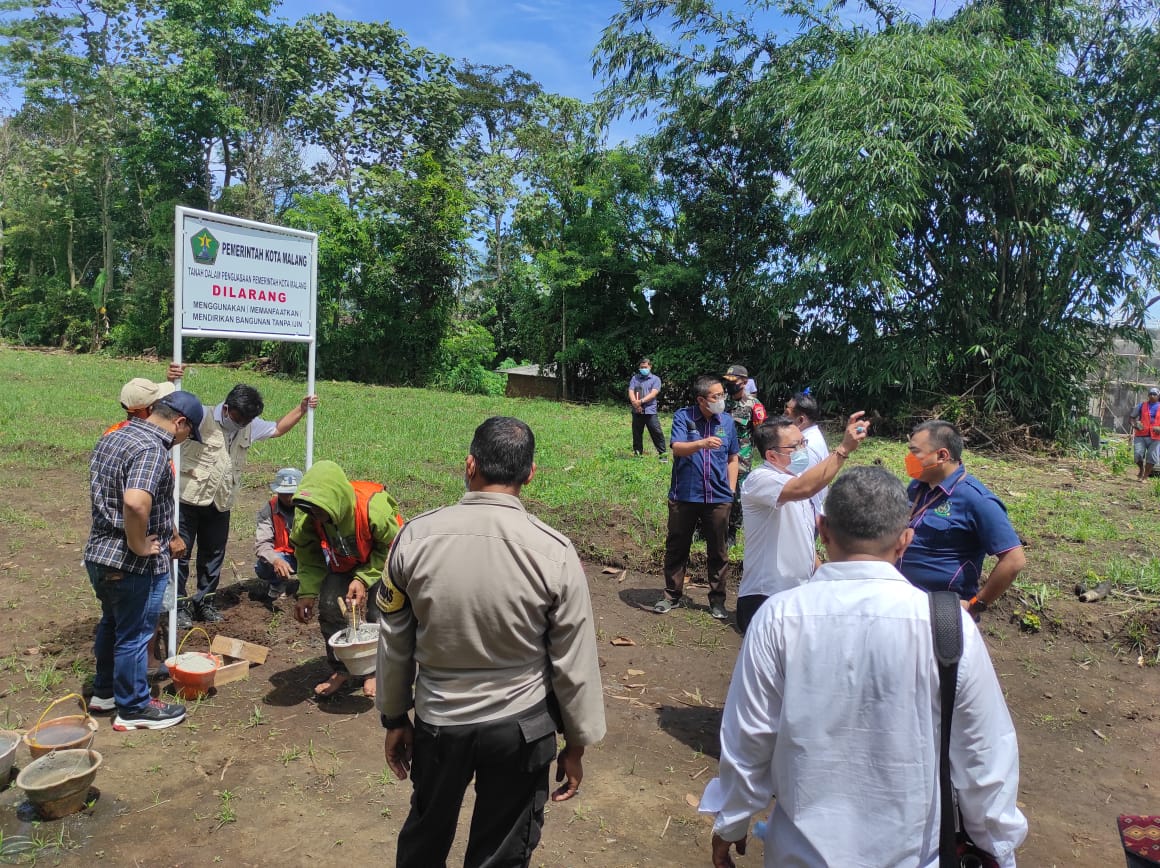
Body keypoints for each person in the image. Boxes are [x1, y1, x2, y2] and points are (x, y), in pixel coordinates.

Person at [701, 466, 1027, 867]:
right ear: (905, 540)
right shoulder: (946, 624)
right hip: (914, 856)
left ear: (822, 530)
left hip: (800, 855)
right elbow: (983, 751)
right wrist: (997, 847)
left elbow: (748, 738)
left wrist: (731, 820)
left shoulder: (779, 617)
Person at [377, 416, 606, 868]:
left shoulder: (414, 538)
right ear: (530, 475)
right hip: (519, 728)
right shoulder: (554, 551)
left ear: (469, 466)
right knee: (502, 848)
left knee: (425, 836)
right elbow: (574, 660)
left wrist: (393, 715)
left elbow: (395, 637)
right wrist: (575, 745)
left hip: (439, 721)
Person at [84, 391, 205, 731]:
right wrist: (138, 544)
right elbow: (136, 503)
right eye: (187, 434)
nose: (183, 440)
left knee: (113, 623)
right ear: (179, 422)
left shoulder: (116, 435)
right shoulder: (152, 449)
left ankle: (105, 692)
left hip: (99, 554)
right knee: (135, 634)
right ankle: (134, 708)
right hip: (129, 563)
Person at [175, 377, 318, 627]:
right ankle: (177, 606)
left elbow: (277, 429)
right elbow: (168, 415)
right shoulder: (200, 416)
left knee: (213, 555)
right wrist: (171, 379)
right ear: (227, 409)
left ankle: (204, 602)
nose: (240, 425)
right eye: (238, 419)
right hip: (187, 499)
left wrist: (301, 409)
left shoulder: (249, 426)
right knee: (180, 554)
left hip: (221, 502)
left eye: (246, 422)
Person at [736, 412, 868, 633]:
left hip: (795, 594)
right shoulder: (760, 480)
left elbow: (802, 536)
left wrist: (821, 572)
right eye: (795, 446)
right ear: (772, 456)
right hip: (765, 597)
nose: (803, 451)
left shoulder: (793, 481)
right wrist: (843, 449)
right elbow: (805, 488)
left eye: (803, 443)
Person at [291, 460, 403, 698]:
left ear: (338, 501)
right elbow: (308, 555)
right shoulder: (309, 516)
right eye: (312, 512)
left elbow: (394, 547)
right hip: (344, 560)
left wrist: (363, 579)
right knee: (331, 606)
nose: (317, 518)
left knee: (380, 612)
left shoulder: (373, 508)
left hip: (385, 561)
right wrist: (307, 592)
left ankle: (375, 670)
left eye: (321, 511)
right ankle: (343, 669)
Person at [898, 420, 1026, 615]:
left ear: (942, 455)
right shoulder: (916, 487)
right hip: (904, 604)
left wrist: (976, 605)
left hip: (943, 614)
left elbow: (1014, 560)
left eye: (915, 452)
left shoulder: (977, 500)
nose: (909, 458)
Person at [655, 375, 739, 620]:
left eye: (723, 395)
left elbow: (733, 458)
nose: (721, 400)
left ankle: (717, 601)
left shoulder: (727, 423)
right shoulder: (684, 416)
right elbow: (678, 448)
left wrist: (731, 490)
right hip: (685, 494)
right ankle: (671, 595)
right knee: (677, 546)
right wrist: (701, 443)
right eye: (716, 396)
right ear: (702, 400)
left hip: (718, 497)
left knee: (719, 550)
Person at [724, 365, 766, 546]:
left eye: (734, 381)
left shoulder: (754, 405)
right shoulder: (722, 401)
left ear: (745, 382)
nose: (729, 384)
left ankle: (732, 531)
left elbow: (761, 433)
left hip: (742, 456)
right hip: (720, 453)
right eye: (727, 381)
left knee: (737, 495)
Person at [253, 467, 302, 605]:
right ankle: (277, 584)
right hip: (285, 557)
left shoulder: (310, 507)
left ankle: (318, 585)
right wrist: (275, 561)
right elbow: (262, 545)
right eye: (285, 493)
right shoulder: (268, 510)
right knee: (262, 566)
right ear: (277, 491)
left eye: (293, 492)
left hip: (309, 555)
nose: (289, 497)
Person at [784, 390, 830, 518]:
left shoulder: (806, 447)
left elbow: (796, 485)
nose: (782, 417)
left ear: (800, 420)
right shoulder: (808, 437)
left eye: (786, 413)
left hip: (804, 515)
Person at [627, 357, 667, 460]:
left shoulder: (655, 379)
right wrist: (635, 404)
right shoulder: (635, 378)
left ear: (650, 367)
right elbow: (631, 391)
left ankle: (663, 456)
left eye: (645, 367)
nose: (643, 369)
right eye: (641, 367)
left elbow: (653, 393)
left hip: (650, 411)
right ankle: (637, 455)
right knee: (637, 434)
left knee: (657, 433)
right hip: (637, 411)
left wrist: (640, 402)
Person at [1132, 387, 1160, 481]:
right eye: (1150, 394)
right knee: (1138, 455)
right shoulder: (1141, 405)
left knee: (1152, 457)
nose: (1152, 396)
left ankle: (1145, 477)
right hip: (1141, 435)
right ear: (1148, 395)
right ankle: (1141, 469)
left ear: (1158, 396)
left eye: (1154, 394)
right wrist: (1135, 425)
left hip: (1156, 437)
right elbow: (1131, 418)